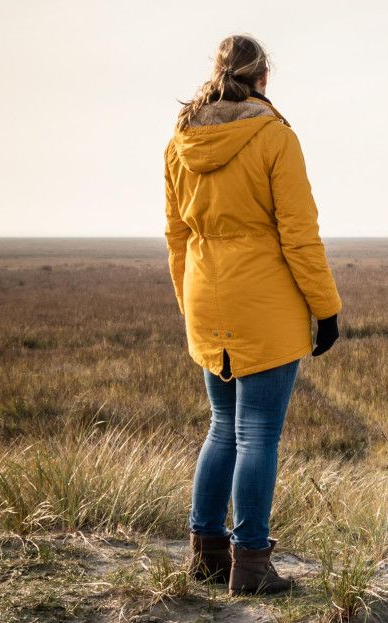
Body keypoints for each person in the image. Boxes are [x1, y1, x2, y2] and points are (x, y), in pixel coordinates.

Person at [162, 34, 341, 596]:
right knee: (258, 431)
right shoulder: (274, 137)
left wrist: (189, 301)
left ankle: (206, 552)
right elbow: (299, 234)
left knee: (222, 427)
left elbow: (176, 237)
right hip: (265, 304)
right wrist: (326, 308)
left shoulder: (179, 141)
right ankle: (252, 563)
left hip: (206, 298)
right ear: (263, 78)